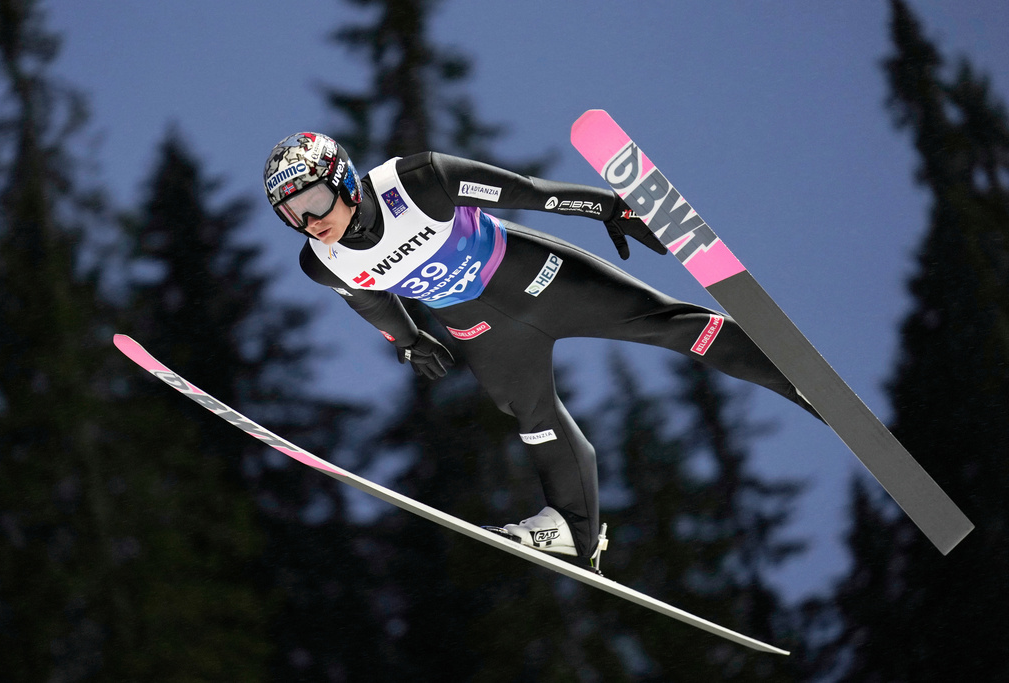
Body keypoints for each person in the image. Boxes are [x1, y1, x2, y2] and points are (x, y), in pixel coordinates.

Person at [264, 132, 818, 565]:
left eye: (314, 201)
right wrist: (407, 340)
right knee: (531, 416)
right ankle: (574, 530)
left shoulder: (418, 182)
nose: (310, 222)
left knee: (666, 325)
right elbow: (369, 299)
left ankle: (796, 379)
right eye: (292, 214)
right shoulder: (322, 263)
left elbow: (530, 193)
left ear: (344, 181)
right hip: (481, 330)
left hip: (541, 280)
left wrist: (609, 207)